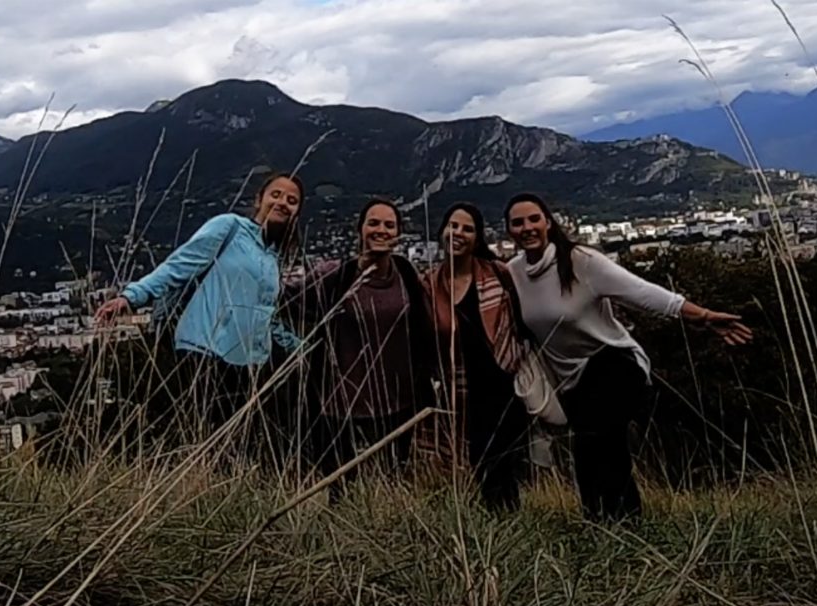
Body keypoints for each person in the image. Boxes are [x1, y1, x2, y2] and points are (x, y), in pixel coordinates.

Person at [504, 192, 753, 522]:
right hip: (570, 381)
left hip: (612, 362)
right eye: (517, 222)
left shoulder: (581, 262)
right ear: (508, 230)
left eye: (534, 219)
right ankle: (607, 524)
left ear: (548, 222)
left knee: (599, 444)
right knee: (591, 453)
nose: (527, 228)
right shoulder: (513, 273)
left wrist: (703, 316)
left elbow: (642, 293)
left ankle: (621, 523)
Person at [94, 173, 305, 450]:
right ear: (259, 200)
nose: (282, 203)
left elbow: (265, 316)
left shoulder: (274, 259)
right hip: (205, 351)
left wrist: (300, 347)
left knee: (241, 447)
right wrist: (132, 296)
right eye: (275, 195)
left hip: (250, 364)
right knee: (207, 442)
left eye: (292, 200)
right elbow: (180, 264)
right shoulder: (229, 227)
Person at [292, 198, 434, 501]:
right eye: (373, 223)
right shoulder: (335, 275)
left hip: (398, 404)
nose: (381, 230)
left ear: (398, 234)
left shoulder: (407, 275)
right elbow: (287, 301)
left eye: (388, 225)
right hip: (341, 406)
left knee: (393, 484)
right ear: (360, 230)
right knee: (341, 491)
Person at [423, 202, 530, 511]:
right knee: (477, 463)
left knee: (506, 465)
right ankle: (495, 527)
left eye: (467, 228)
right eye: (453, 226)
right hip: (461, 392)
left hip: (504, 387)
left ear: (477, 237)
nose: (458, 233)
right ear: (442, 231)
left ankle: (509, 524)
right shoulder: (429, 285)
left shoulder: (498, 273)